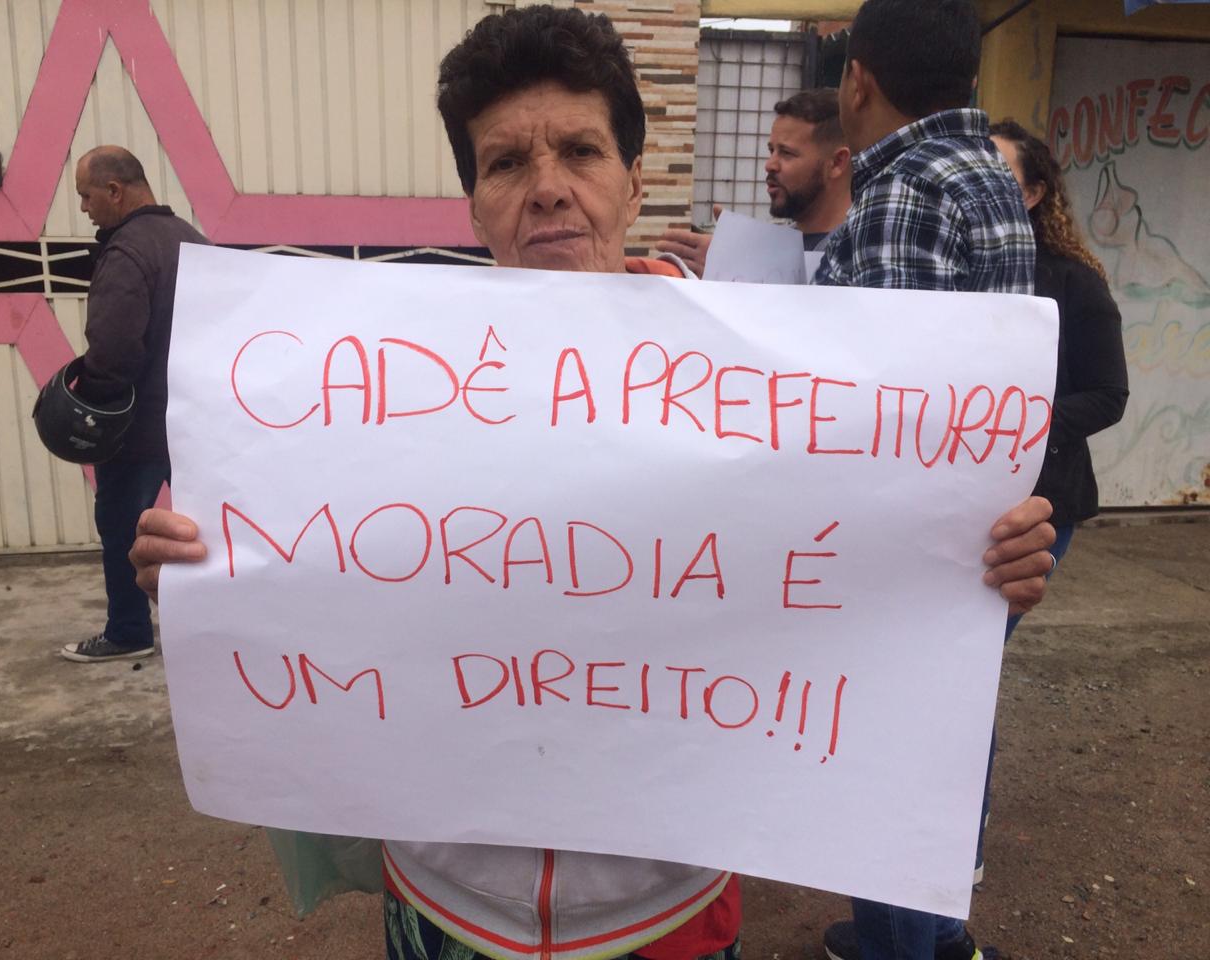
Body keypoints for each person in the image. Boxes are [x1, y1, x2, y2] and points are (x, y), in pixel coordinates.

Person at [128, 6, 1054, 959]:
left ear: (631, 178)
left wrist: (974, 564)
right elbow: (286, 553)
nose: (547, 190)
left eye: (580, 151)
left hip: (668, 905)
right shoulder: (363, 379)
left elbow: (862, 550)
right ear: (473, 201)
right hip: (448, 903)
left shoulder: (762, 377)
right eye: (505, 163)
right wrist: (199, 572)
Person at [812, 2, 1051, 959]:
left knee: (883, 763)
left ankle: (902, 942)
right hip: (970, 527)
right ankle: (931, 933)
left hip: (901, 552)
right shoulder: (987, 174)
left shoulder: (902, 193)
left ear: (857, 79)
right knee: (933, 747)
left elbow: (884, 420)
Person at [970, 116, 1128, 871]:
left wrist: (1024, 423)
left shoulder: (1073, 281)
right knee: (954, 674)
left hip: (1040, 504)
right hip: (964, 502)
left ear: (1034, 194)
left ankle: (957, 846)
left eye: (1000, 174)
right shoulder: (958, 265)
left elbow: (1109, 395)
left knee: (964, 671)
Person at [59, 147, 208, 663]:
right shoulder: (193, 242)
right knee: (205, 531)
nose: (84, 208)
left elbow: (114, 352)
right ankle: (216, 627)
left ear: (115, 191)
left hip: (138, 431)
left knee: (125, 528)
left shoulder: (126, 253)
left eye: (86, 196)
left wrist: (91, 406)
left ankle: (128, 631)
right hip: (200, 423)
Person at [657, 88, 852, 277]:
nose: (770, 165)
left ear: (837, 163)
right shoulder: (772, 246)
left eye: (787, 153)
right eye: (771, 151)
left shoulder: (860, 254)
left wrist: (741, 268)